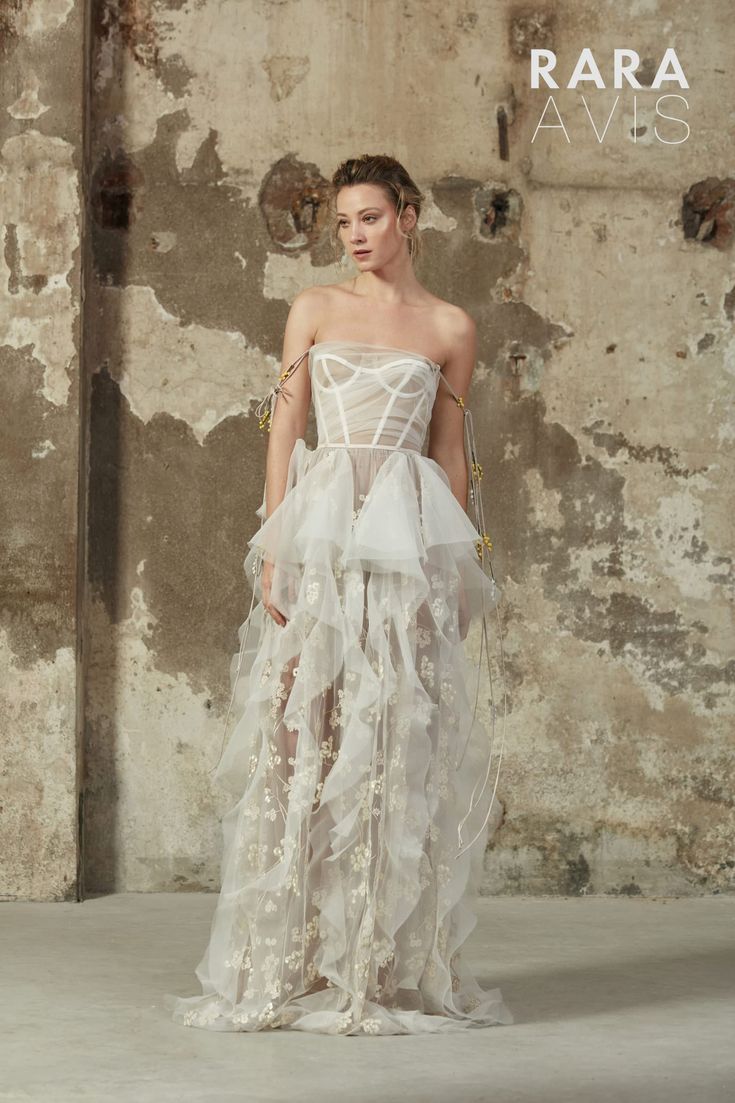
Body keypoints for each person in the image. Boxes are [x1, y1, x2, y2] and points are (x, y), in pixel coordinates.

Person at [167, 153, 512, 1035]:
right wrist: (275, 545)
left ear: (407, 214)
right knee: (300, 723)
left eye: (369, 217)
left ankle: (372, 961)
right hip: (321, 529)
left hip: (402, 537)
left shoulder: (449, 326)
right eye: (343, 223)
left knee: (393, 730)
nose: (354, 236)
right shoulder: (313, 309)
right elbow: (284, 423)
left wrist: (456, 558)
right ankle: (283, 958)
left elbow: (447, 451)